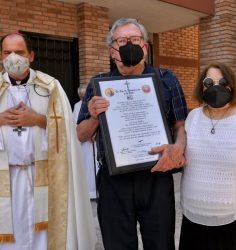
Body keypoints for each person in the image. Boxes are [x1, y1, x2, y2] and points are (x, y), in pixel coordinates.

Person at [77, 18, 187, 250]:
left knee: (161, 244)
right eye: (122, 40)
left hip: (156, 176)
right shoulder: (98, 83)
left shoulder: (166, 79)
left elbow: (180, 126)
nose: (129, 45)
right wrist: (95, 116)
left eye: (135, 40)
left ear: (145, 47)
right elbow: (80, 134)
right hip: (114, 181)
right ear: (112, 50)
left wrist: (177, 149)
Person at [0, 32, 96, 250]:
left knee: (44, 234)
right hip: (6, 177)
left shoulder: (50, 87)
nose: (13, 58)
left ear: (31, 55)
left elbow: (69, 132)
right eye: (7, 52)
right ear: (0, 56)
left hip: (43, 176)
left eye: (19, 52)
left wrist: (38, 120)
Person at [179, 62, 236, 250]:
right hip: (192, 218)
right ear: (201, 87)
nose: (215, 87)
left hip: (232, 221)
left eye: (223, 81)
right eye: (209, 82)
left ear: (232, 85)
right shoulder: (193, 117)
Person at [73, 84, 97, 199]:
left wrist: (95, 133)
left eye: (84, 95)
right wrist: (86, 134)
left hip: (95, 142)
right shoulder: (77, 106)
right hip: (85, 144)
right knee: (87, 166)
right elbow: (74, 123)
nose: (83, 98)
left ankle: (98, 190)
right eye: (81, 96)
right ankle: (90, 192)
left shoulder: (94, 104)